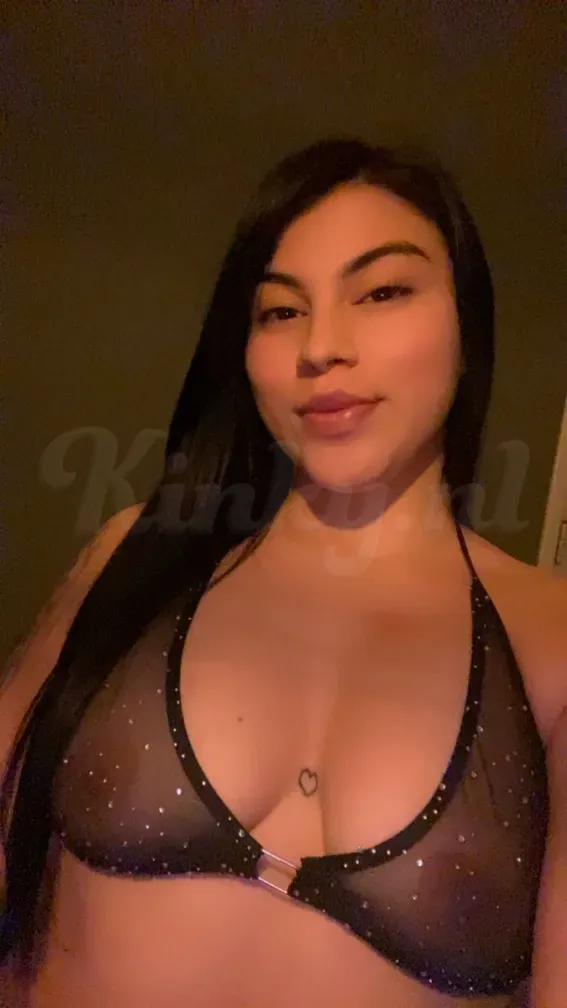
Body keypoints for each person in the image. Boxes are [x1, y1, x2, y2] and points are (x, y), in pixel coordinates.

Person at [0, 137, 565, 1008]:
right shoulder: (135, 558)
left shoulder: (548, 640)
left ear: (466, 328)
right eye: (279, 311)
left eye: (381, 292)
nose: (321, 346)